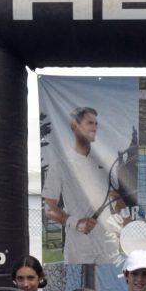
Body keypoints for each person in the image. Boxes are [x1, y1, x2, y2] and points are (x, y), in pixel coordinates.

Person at [42, 106, 118, 264]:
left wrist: (126, 222)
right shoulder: (60, 164)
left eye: (96, 124)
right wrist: (76, 223)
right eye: (90, 123)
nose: (94, 128)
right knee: (77, 281)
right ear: (75, 125)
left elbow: (115, 198)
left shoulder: (105, 162)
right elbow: (49, 209)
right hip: (79, 249)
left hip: (109, 247)